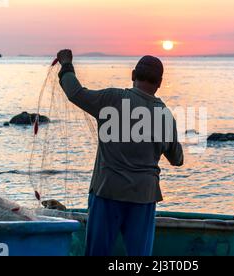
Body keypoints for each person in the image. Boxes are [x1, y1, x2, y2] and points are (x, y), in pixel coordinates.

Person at [57, 49, 184, 256]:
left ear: (133, 75)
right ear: (159, 83)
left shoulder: (112, 99)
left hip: (107, 191)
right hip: (144, 196)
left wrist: (66, 65)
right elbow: (177, 159)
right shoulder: (165, 115)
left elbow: (75, 93)